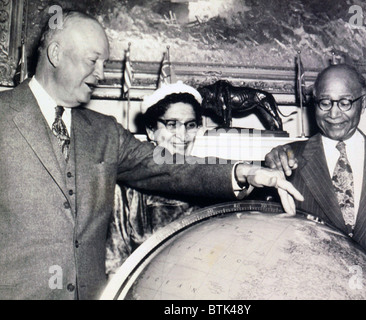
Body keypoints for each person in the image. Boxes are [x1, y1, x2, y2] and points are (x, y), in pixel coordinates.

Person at [0, 11, 303, 300]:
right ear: (55, 54)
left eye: (104, 63)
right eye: (94, 61)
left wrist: (244, 172)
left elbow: (171, 166)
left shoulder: (104, 131)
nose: (101, 73)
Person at [265, 64, 366, 299]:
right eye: (325, 102)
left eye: (345, 102)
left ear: (362, 104)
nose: (334, 114)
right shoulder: (287, 161)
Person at [106, 82, 207, 275]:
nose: (182, 135)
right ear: (151, 131)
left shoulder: (211, 181)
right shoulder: (126, 191)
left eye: (190, 125)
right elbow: (114, 268)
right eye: (171, 124)